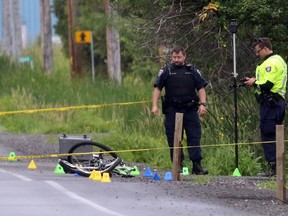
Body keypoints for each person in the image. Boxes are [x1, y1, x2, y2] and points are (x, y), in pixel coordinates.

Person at [151, 45, 208, 175]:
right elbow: (157, 88)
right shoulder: (166, 71)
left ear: (184, 56)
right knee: (174, 138)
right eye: (174, 57)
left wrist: (203, 104)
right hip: (172, 109)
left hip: (190, 109)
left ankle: (197, 165)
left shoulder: (192, 70)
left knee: (194, 136)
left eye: (179, 57)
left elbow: (201, 88)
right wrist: (154, 105)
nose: (176, 60)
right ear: (171, 57)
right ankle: (178, 165)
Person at [244, 37, 287, 177]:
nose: (257, 54)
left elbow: (267, 85)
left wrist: (254, 83)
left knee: (269, 133)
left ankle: (274, 168)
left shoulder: (272, 62)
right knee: (273, 133)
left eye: (258, 51)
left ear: (265, 48)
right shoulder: (275, 61)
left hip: (272, 103)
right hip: (273, 103)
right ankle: (275, 168)